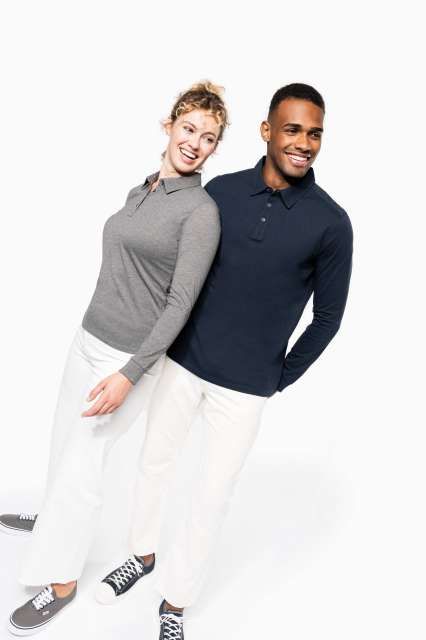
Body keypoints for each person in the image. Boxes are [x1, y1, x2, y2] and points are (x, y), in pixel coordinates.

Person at [91, 82, 354, 640]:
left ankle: (176, 604)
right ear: (266, 131)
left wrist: (277, 377)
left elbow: (328, 319)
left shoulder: (332, 223)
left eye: (315, 133)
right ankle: (141, 555)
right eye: (292, 129)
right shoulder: (222, 193)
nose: (303, 143)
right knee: (153, 465)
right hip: (184, 363)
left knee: (211, 496)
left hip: (246, 389)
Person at [5, 80, 229, 636]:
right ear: (169, 126)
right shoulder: (143, 188)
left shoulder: (200, 213)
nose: (195, 143)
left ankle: (61, 583)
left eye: (208, 138)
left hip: (126, 358)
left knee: (84, 467)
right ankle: (52, 522)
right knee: (64, 444)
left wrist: (130, 375)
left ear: (215, 147)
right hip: (87, 338)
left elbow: (180, 303)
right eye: (188, 129)